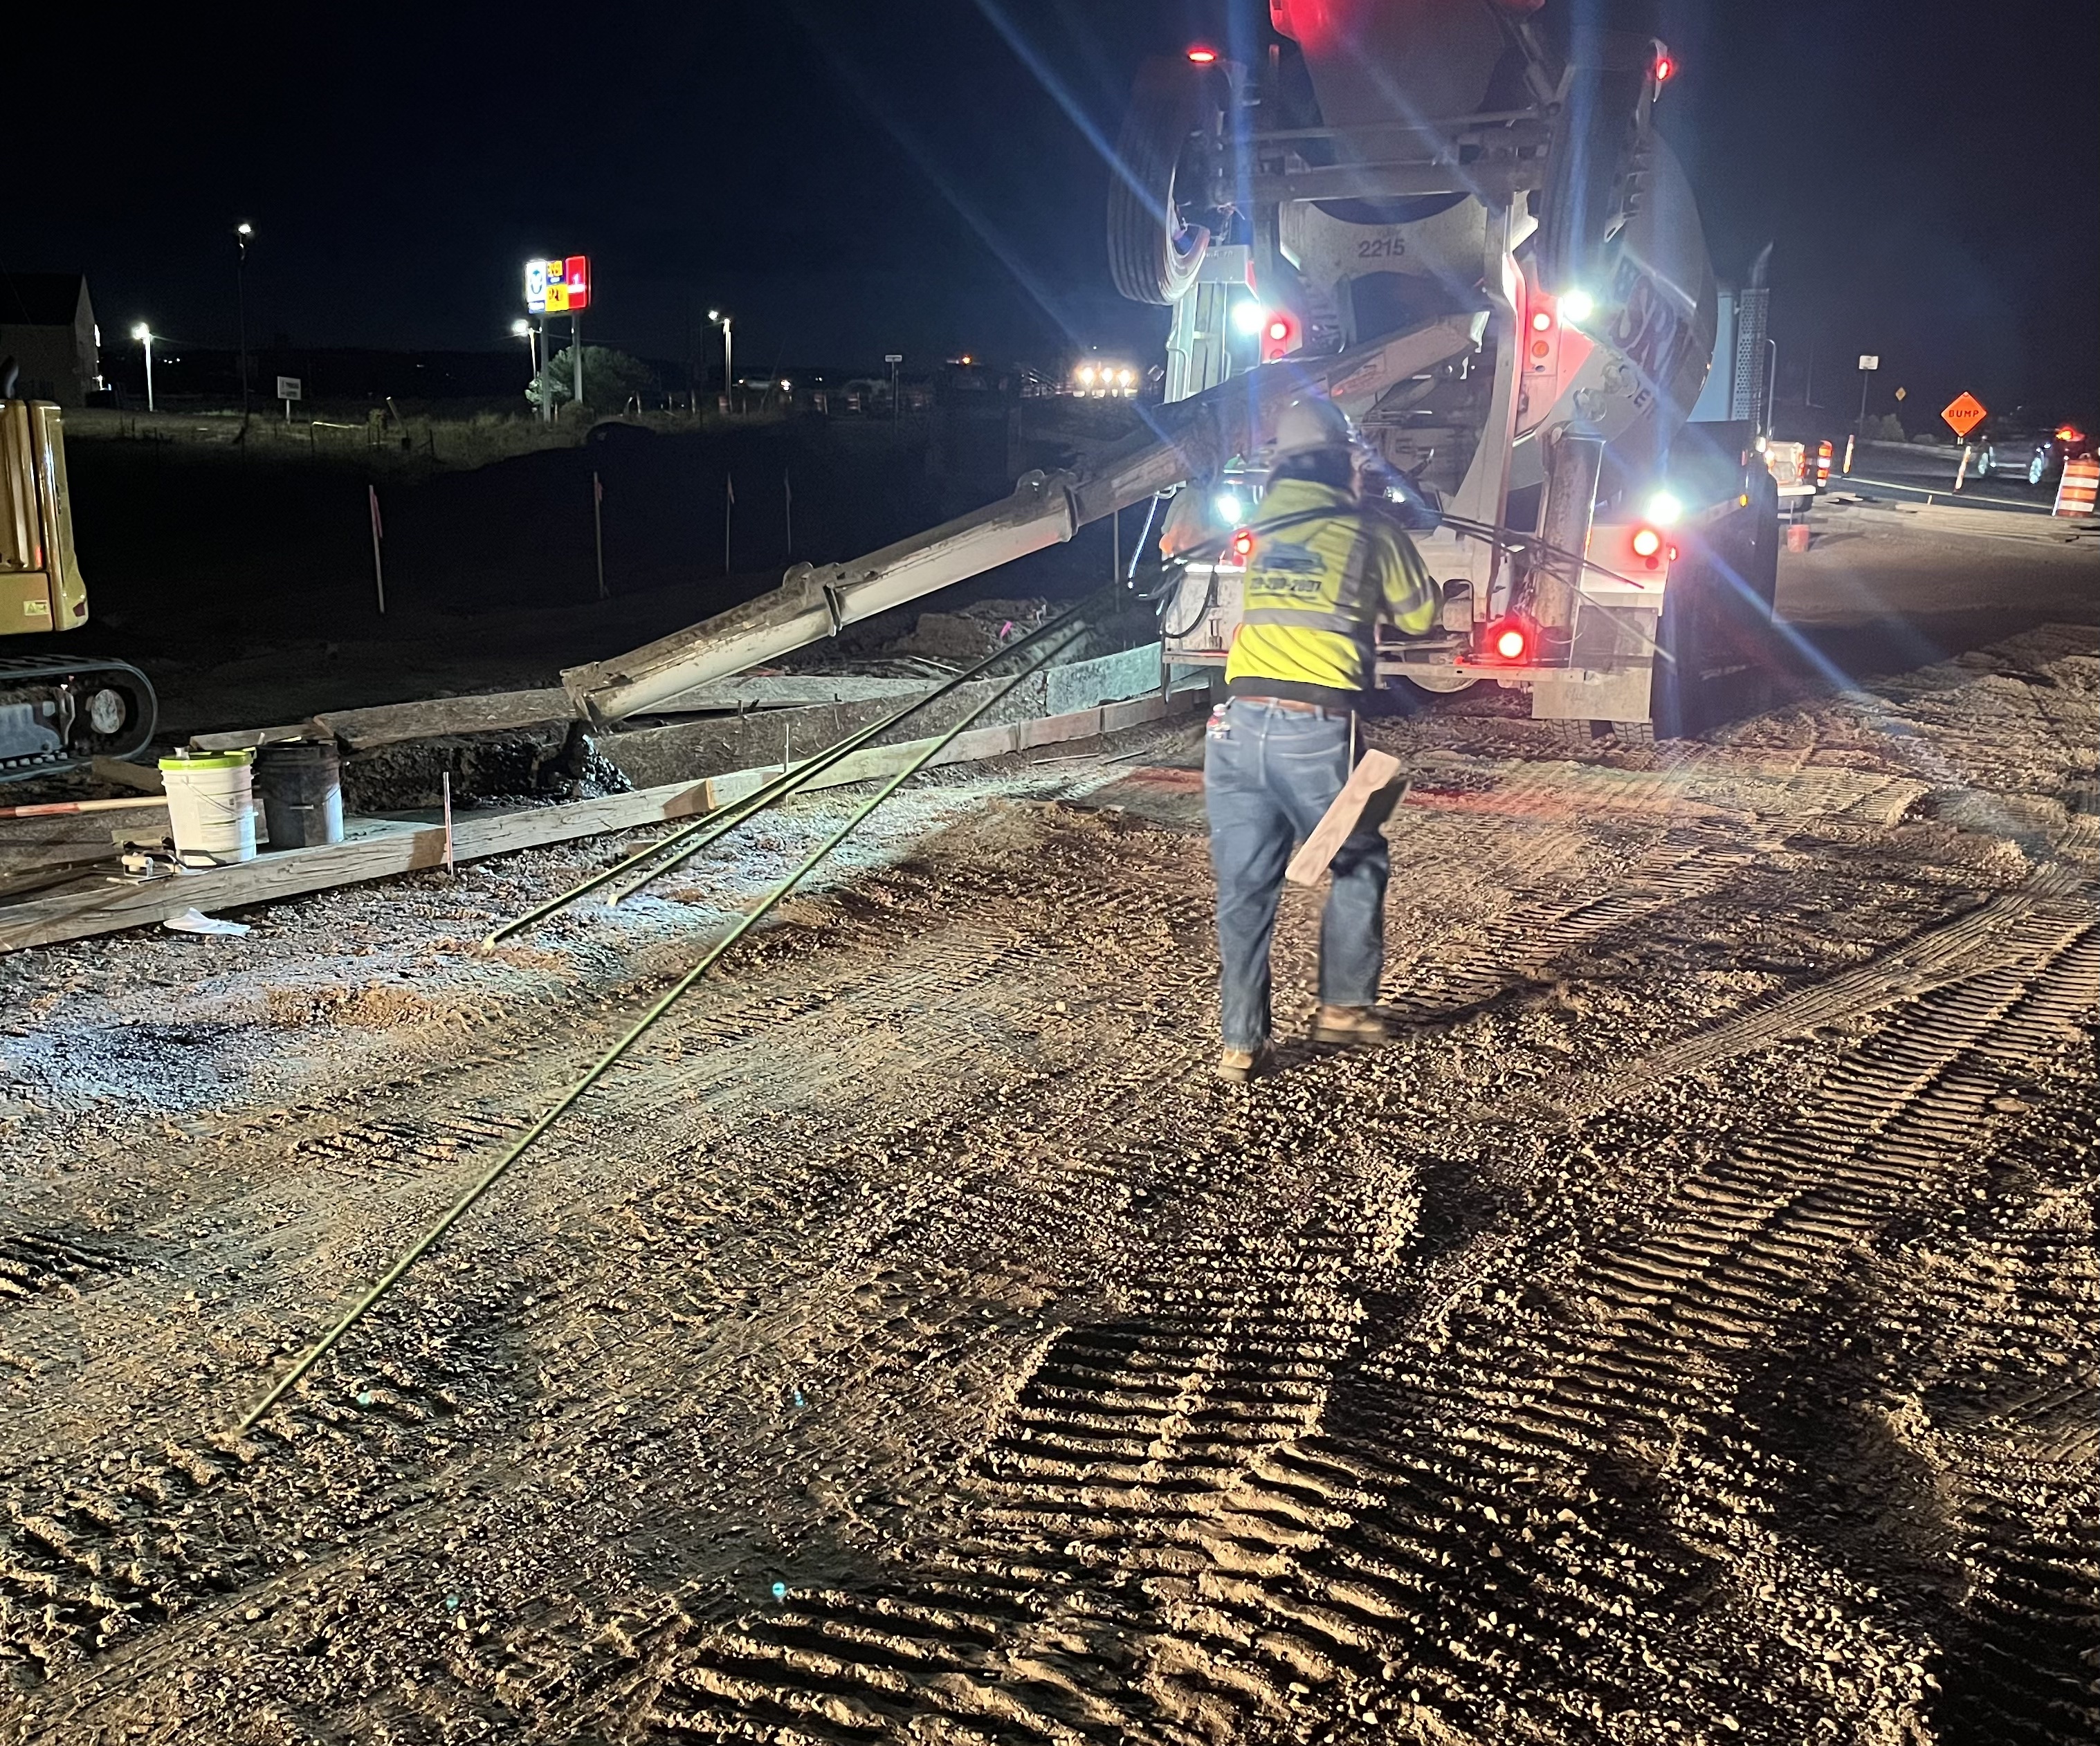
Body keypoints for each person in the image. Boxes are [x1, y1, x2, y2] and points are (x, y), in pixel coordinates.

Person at [1203, 395, 1439, 1083]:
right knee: (1358, 859)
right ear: (1345, 463)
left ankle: (1239, 1044)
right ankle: (1341, 1008)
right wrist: (1389, 530)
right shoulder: (1369, 530)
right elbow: (1420, 614)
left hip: (1234, 726)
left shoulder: (1264, 527)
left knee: (1244, 891)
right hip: (1314, 730)